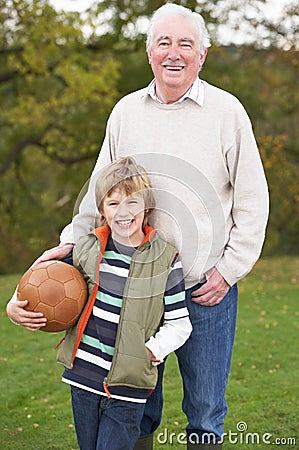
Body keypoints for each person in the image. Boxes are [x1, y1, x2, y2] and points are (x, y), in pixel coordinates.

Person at [7, 3, 269, 449]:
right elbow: (98, 193)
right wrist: (67, 247)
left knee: (205, 411)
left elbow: (253, 202)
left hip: (206, 291)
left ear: (202, 54)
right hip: (133, 290)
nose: (174, 52)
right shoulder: (127, 112)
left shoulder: (227, 113)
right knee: (137, 407)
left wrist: (229, 271)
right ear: (150, 53)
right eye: (164, 42)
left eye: (185, 43)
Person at [8, 156, 192, 450]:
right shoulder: (87, 249)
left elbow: (179, 323)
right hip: (83, 378)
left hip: (128, 388)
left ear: (147, 208)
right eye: (113, 203)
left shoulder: (166, 260)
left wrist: (149, 352)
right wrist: (13, 308)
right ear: (102, 210)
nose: (123, 211)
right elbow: (42, 282)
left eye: (133, 202)